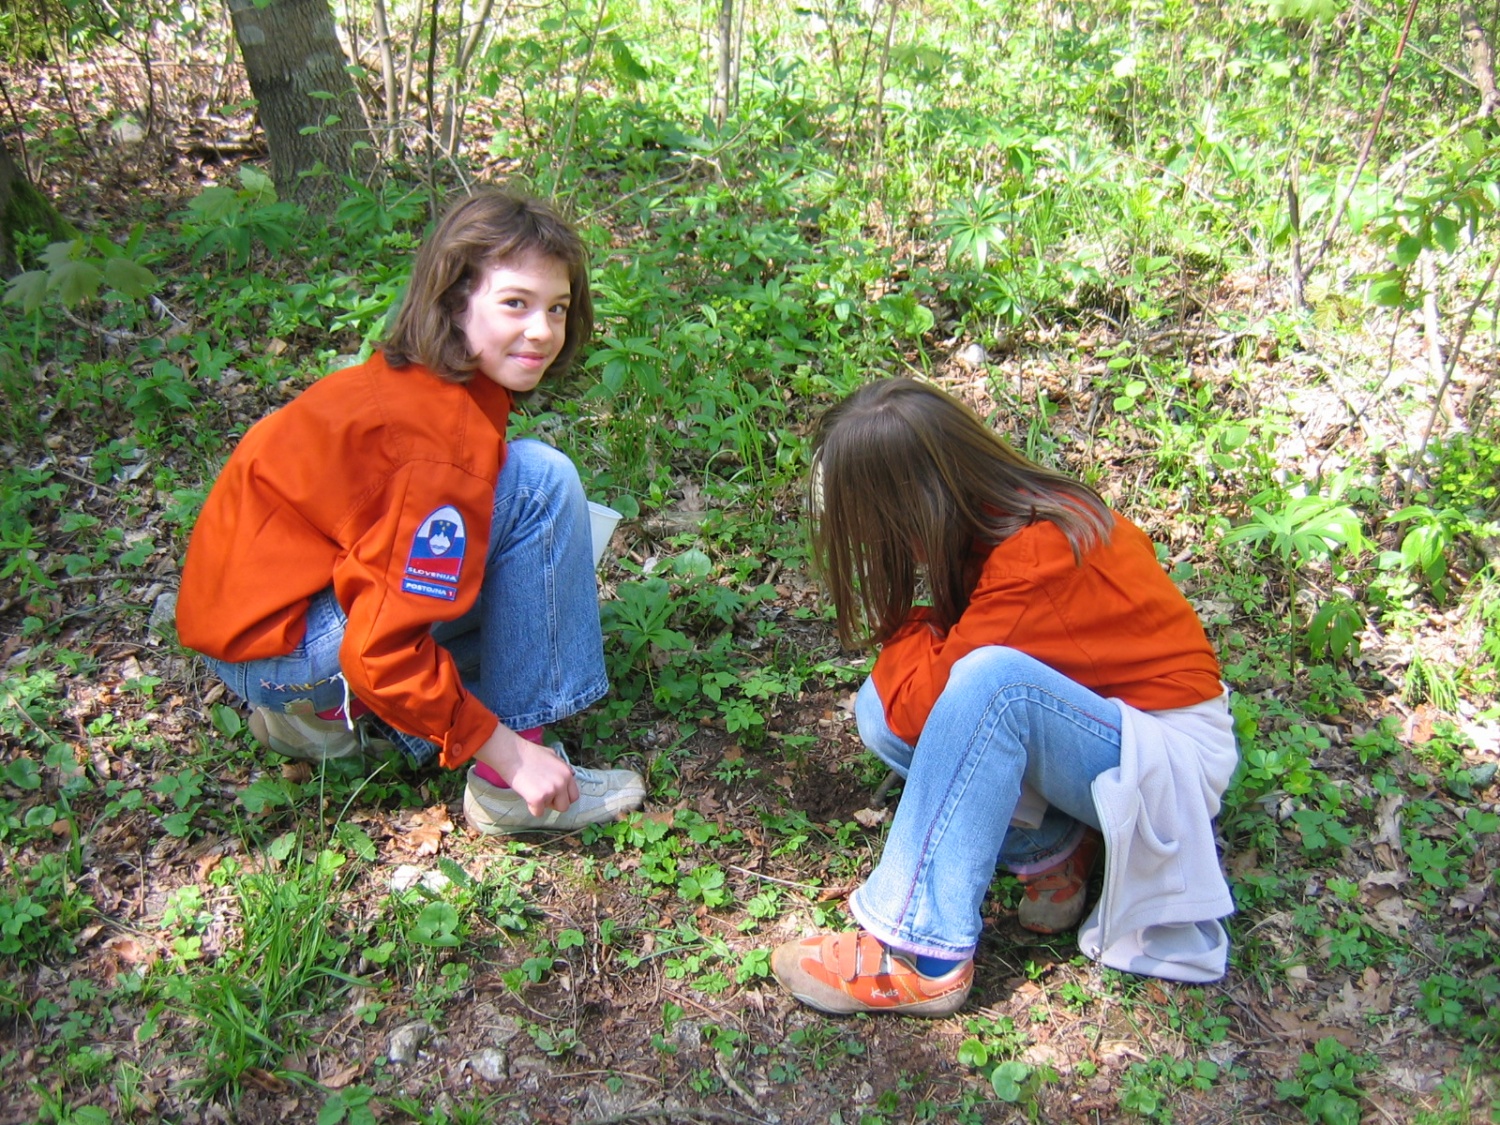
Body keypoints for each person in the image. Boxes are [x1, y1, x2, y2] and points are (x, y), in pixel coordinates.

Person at [177, 187, 645, 834]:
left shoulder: (422, 385)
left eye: (557, 307)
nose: (543, 329)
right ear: (454, 301)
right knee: (539, 483)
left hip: (259, 635)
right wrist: (504, 749)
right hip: (283, 650)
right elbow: (380, 649)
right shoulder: (439, 447)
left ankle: (316, 721)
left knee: (510, 518)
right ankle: (507, 787)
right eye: (516, 303)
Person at [771, 378, 1238, 1017]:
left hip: (1168, 761)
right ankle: (1053, 847)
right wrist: (924, 634)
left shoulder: (1034, 554)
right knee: (878, 711)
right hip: (1110, 735)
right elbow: (906, 711)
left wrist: (914, 627)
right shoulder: (1000, 518)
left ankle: (920, 953)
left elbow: (927, 707)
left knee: (986, 684)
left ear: (907, 505)